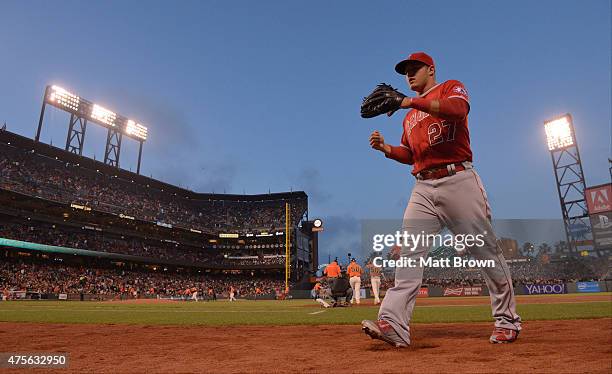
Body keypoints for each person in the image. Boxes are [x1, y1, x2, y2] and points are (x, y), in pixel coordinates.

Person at [362, 52, 521, 347]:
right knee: (409, 253)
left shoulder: (450, 87)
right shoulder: (408, 117)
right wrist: (387, 148)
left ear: (430, 70)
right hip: (423, 187)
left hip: (458, 179)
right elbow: (412, 155)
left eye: (414, 69)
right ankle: (394, 322)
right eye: (405, 71)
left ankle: (507, 320)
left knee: (484, 252)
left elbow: (457, 111)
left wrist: (409, 101)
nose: (409, 75)